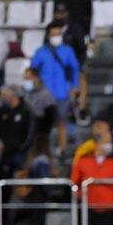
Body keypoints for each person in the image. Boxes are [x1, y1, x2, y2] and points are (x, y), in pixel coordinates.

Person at [31, 22, 82, 150]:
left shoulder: (68, 51)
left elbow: (75, 69)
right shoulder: (40, 52)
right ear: (48, 35)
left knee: (61, 122)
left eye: (58, 34)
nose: (56, 37)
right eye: (53, 34)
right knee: (43, 124)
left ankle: (62, 149)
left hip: (62, 92)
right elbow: (33, 70)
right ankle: (43, 149)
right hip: (44, 94)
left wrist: (74, 86)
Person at [71, 138, 113, 225]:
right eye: (106, 142)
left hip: (110, 208)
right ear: (97, 144)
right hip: (87, 208)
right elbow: (74, 182)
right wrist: (81, 197)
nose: (109, 145)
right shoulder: (82, 162)